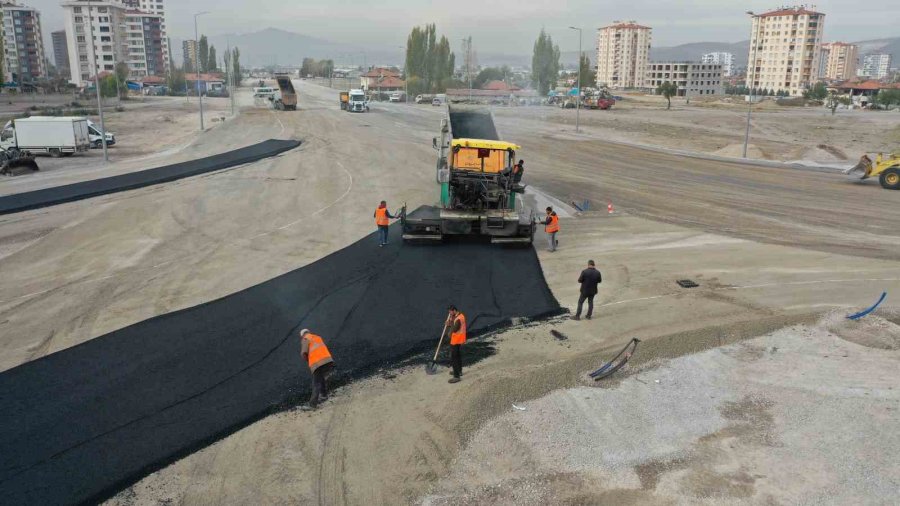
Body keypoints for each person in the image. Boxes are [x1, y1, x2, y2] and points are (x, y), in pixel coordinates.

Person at [299, 329, 334, 411]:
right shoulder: (317, 337)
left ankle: (312, 405)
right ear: (308, 332)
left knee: (316, 383)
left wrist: (308, 360)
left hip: (317, 363)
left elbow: (304, 353)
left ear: (302, 335)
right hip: (328, 360)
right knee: (320, 378)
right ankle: (324, 395)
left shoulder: (305, 339)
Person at [447, 305, 466, 384]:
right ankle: (459, 371)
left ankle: (456, 376)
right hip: (459, 339)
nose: (450, 314)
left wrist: (449, 325)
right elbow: (453, 323)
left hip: (456, 340)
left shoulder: (458, 319)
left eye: (450, 312)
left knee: (454, 357)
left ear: (454, 310)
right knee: (458, 355)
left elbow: (455, 329)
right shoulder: (460, 315)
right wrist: (450, 321)